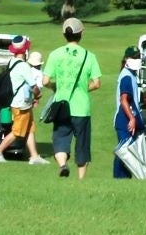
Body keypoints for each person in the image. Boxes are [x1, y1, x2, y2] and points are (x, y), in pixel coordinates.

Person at [41, 20, 102, 178]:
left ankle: (62, 164)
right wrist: (84, 88)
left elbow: (45, 81)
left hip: (61, 104)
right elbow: (96, 83)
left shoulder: (55, 54)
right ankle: (81, 179)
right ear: (81, 33)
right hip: (81, 107)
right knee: (82, 143)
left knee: (61, 138)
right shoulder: (89, 56)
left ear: (64, 34)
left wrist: (55, 87)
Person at [0, 41, 44, 164]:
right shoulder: (23, 66)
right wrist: (38, 95)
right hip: (21, 104)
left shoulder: (12, 62)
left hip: (18, 102)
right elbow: (33, 86)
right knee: (17, 132)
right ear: (25, 51)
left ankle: (34, 156)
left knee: (30, 128)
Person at [111, 48, 146, 177]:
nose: (137, 60)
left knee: (125, 151)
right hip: (124, 120)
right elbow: (124, 100)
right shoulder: (126, 76)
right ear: (127, 59)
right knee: (125, 151)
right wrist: (132, 118)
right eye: (134, 57)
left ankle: (123, 178)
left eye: (138, 57)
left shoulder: (131, 75)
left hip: (128, 120)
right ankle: (119, 178)